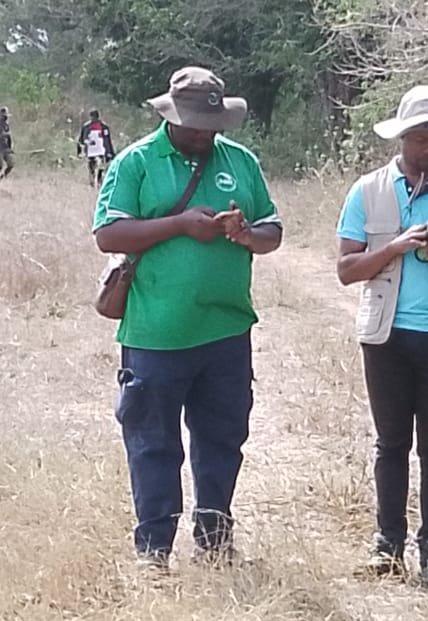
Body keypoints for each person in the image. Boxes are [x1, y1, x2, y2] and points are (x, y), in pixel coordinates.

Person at [92, 66, 283, 569]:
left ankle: (215, 537)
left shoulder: (239, 161)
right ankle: (153, 550)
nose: (204, 133)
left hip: (226, 330)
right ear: (171, 116)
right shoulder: (136, 163)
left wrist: (245, 234)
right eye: (195, 123)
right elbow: (108, 235)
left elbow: (273, 229)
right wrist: (179, 224)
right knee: (153, 444)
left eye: (211, 124)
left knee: (223, 438)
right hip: (156, 334)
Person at [336, 85, 428, 590]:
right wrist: (398, 247)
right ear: (402, 137)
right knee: (391, 442)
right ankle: (388, 544)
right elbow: (346, 269)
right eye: (421, 138)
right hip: (386, 336)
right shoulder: (368, 191)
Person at [78, 109, 116, 187]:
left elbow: (108, 140)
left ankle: (99, 183)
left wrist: (111, 152)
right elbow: (81, 140)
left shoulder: (104, 127)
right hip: (90, 151)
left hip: (102, 151)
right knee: (91, 168)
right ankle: (92, 183)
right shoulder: (86, 127)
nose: (94, 119)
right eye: (93, 117)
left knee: (101, 167)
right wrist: (82, 148)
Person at [0, 107, 14, 180]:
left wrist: (10, 148)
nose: (5, 117)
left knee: (11, 164)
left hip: (5, 148)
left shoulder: (6, 125)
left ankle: (3, 176)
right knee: (0, 165)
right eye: (4, 116)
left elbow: (9, 138)